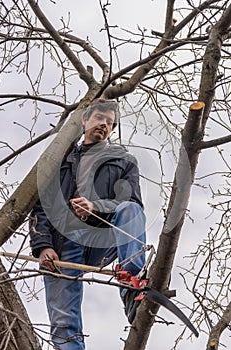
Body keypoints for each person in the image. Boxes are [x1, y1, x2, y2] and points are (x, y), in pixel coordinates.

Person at [29, 99, 146, 350]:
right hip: (63, 244)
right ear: (84, 120)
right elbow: (41, 207)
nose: (104, 124)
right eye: (99, 118)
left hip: (100, 239)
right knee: (64, 322)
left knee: (130, 209)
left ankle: (131, 284)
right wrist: (42, 247)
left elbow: (131, 202)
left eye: (110, 122)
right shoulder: (59, 161)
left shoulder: (123, 161)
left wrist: (96, 207)